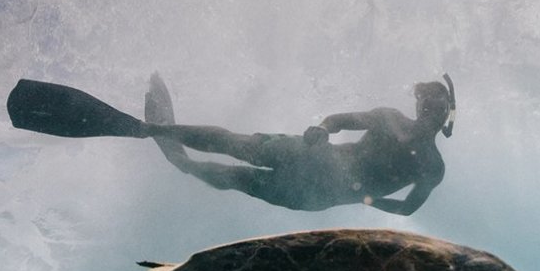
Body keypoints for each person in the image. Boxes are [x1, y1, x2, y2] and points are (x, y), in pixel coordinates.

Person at [143, 74, 456, 215]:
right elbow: (337, 120)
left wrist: (367, 200)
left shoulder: (432, 167)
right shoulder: (388, 117)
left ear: (447, 115)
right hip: (310, 154)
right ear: (418, 105)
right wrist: (322, 128)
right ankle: (155, 130)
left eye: (438, 106)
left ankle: (181, 162)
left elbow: (406, 209)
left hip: (315, 195)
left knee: (235, 178)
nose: (430, 109)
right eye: (426, 102)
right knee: (234, 142)